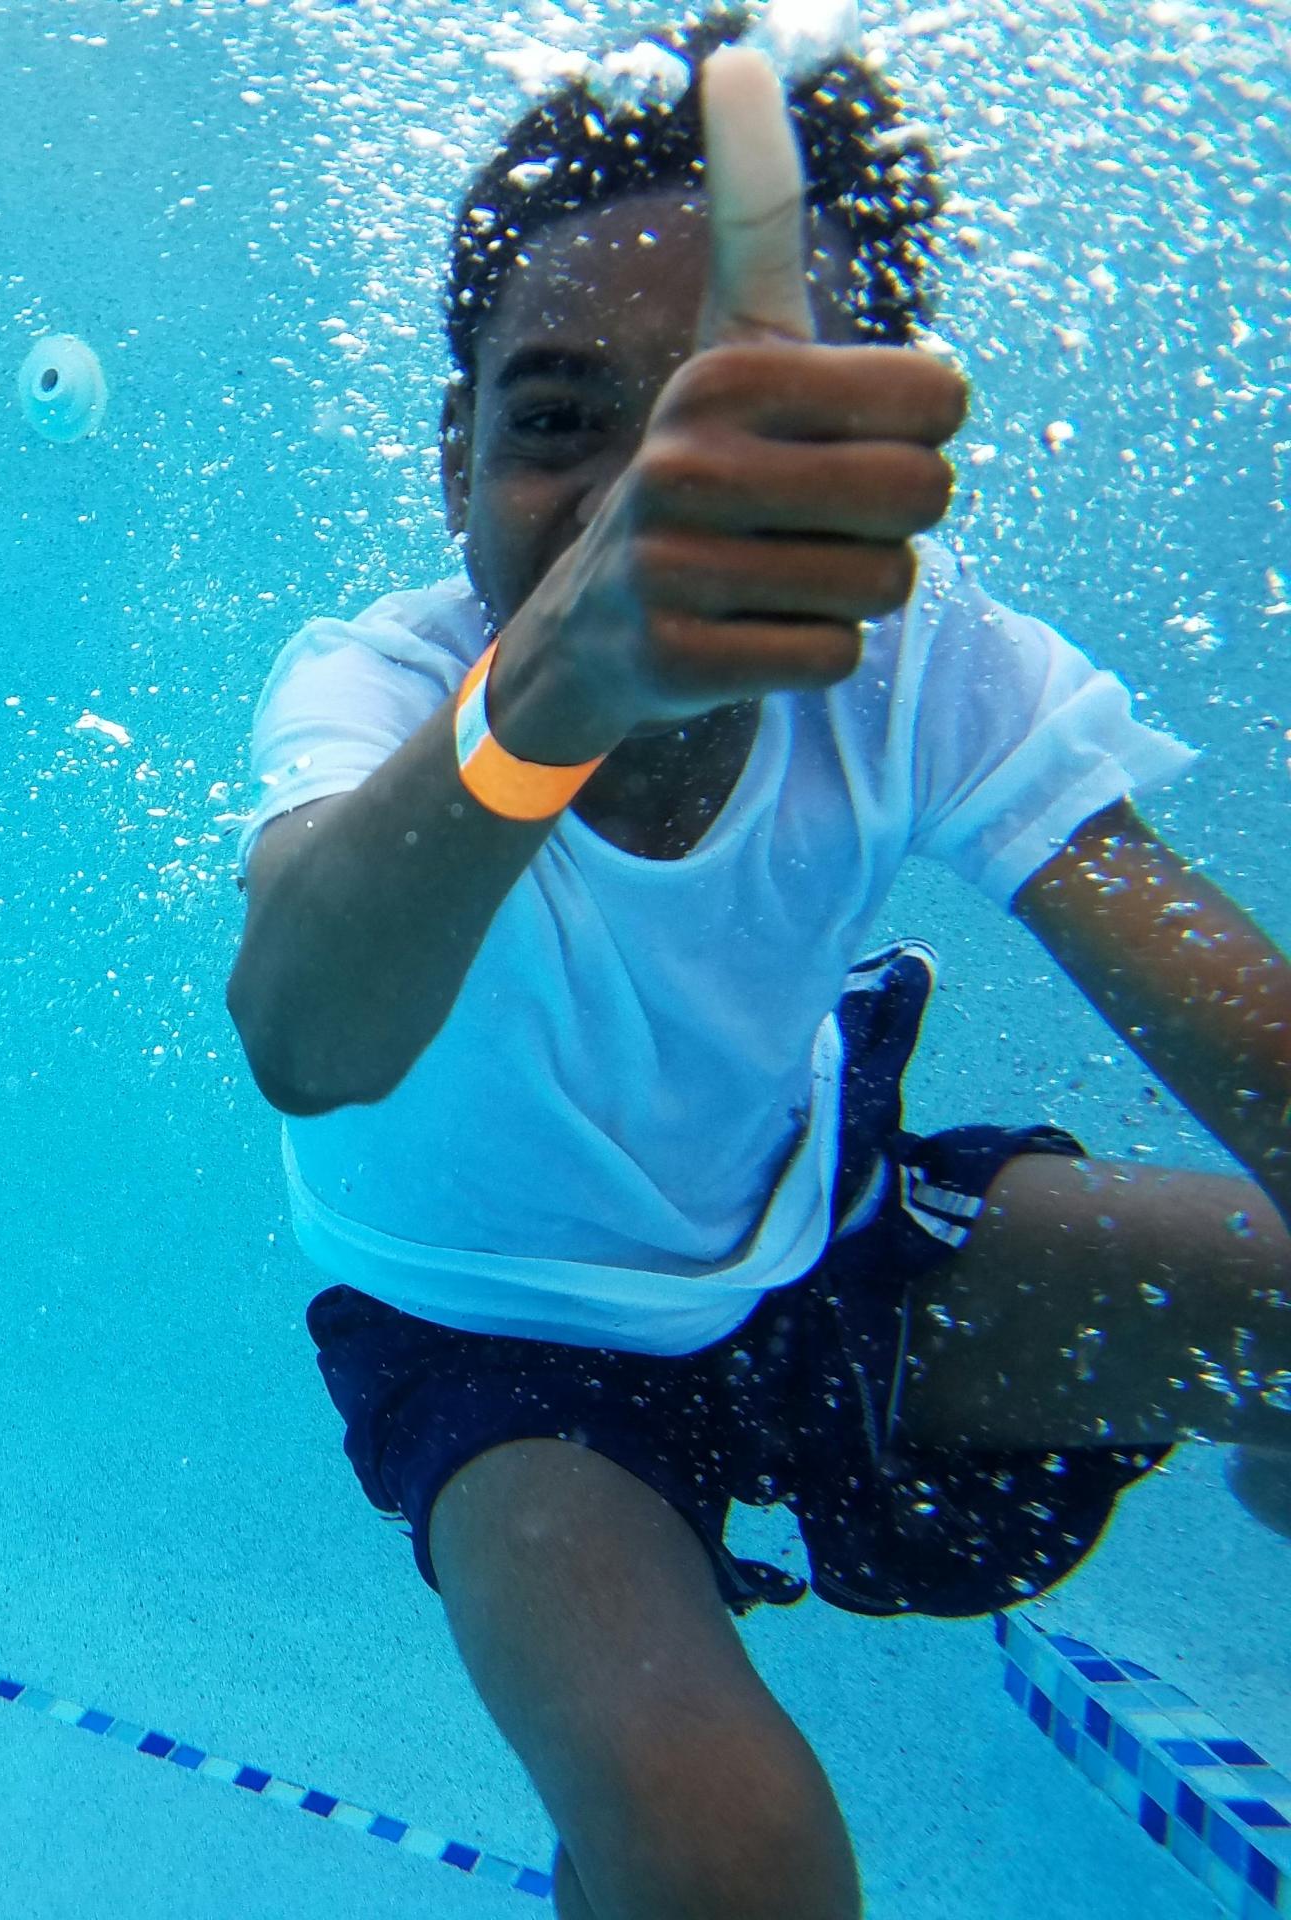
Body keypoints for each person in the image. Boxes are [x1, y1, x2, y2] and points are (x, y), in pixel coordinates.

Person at [224, 12, 1291, 1918]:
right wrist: (562, 685)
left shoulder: (914, 651)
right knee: (739, 1871)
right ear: (448, 452)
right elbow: (305, 1034)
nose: (653, 503)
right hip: (496, 1342)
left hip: (820, 1237)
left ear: (871, 460)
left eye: (742, 424)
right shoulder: (373, 683)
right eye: (559, 421)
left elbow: (1244, 1023)